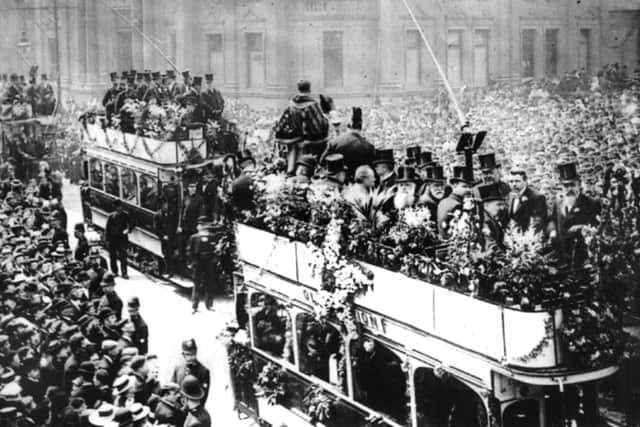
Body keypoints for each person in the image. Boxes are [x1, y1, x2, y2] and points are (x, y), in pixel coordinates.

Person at [547, 161, 600, 266]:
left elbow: (597, 226)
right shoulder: (558, 203)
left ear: (579, 184)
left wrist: (582, 227)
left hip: (582, 257)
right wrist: (552, 231)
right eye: (566, 186)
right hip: (561, 255)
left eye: (572, 185)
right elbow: (552, 220)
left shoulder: (591, 203)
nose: (569, 189)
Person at [274, 80, 329, 175]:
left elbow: (282, 124)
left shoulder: (291, 104)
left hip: (296, 144)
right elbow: (320, 125)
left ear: (298, 89)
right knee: (309, 171)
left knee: (295, 170)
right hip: (310, 145)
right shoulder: (313, 105)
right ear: (309, 89)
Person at [319, 107, 375, 176]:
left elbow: (322, 162)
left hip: (337, 179)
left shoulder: (335, 142)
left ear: (349, 125)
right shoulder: (368, 147)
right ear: (362, 126)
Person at [186, 216, 220, 313]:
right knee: (197, 284)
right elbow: (189, 250)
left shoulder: (212, 237)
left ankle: (209, 305)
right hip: (198, 262)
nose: (202, 227)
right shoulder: (194, 237)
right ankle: (194, 305)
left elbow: (215, 250)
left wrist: (214, 260)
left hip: (208, 262)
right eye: (200, 225)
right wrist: (192, 261)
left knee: (209, 283)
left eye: (203, 225)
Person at [437, 166, 474, 239]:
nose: (468, 190)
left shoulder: (444, 201)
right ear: (454, 186)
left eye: (470, 187)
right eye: (464, 186)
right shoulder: (456, 205)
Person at [506, 167, 547, 233]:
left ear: (525, 181)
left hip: (529, 237)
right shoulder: (509, 196)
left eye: (517, 181)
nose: (514, 184)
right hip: (512, 237)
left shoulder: (537, 197)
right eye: (511, 181)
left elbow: (538, 222)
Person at [171, 339, 210, 404]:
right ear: (183, 354)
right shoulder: (178, 368)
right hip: (178, 407)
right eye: (188, 354)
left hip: (194, 407)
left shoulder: (203, 371)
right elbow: (172, 387)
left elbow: (204, 395)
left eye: (193, 354)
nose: (191, 357)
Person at [477, 182, 508, 253]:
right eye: (499, 204)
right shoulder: (485, 222)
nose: (502, 208)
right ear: (486, 205)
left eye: (503, 204)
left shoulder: (492, 218)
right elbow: (491, 247)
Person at [105, 200, 132, 279]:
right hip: (113, 239)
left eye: (120, 207)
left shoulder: (126, 215)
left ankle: (124, 273)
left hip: (122, 239)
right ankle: (114, 272)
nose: (119, 208)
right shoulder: (111, 216)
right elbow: (107, 228)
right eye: (117, 207)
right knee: (113, 256)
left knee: (123, 257)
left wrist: (128, 229)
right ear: (115, 208)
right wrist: (107, 239)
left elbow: (132, 223)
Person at [178, 180, 204, 261]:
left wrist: (199, 223)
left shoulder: (199, 199)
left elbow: (201, 212)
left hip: (193, 225)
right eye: (191, 187)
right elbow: (181, 212)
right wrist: (179, 225)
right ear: (188, 188)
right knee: (182, 242)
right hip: (184, 225)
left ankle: (191, 260)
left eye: (194, 187)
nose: (193, 189)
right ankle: (183, 258)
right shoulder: (185, 198)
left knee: (192, 244)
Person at [154, 201, 178, 277]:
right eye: (164, 206)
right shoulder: (158, 215)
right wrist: (163, 236)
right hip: (165, 238)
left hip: (172, 236)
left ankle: (172, 270)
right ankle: (168, 270)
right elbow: (156, 228)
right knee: (167, 255)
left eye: (167, 206)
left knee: (172, 254)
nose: (166, 207)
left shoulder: (171, 214)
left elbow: (174, 223)